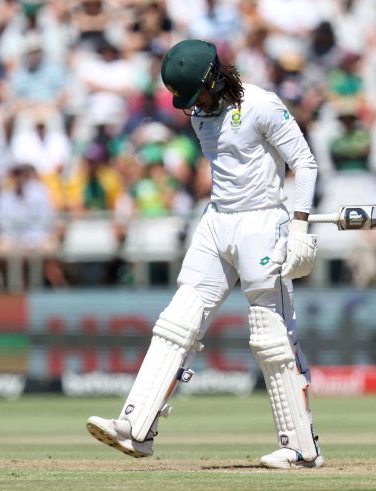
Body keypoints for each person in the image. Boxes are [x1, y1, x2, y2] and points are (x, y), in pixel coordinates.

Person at [86, 39, 322, 469]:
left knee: (272, 337)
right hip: (216, 220)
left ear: (215, 77)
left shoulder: (262, 105)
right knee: (178, 320)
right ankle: (136, 426)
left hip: (262, 222)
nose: (192, 107)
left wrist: (301, 228)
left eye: (197, 95)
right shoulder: (198, 114)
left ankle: (302, 447)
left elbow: (304, 164)